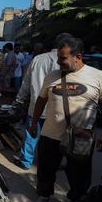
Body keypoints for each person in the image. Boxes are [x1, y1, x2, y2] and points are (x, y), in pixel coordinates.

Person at [29, 37, 102, 202]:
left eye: (63, 58)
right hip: (50, 133)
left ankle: (75, 200)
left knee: (79, 173)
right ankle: (44, 197)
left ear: (78, 56)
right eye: (59, 58)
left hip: (81, 137)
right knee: (45, 169)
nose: (59, 62)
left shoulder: (99, 76)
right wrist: (34, 122)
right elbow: (41, 100)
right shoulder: (52, 75)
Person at [14, 33, 74, 170]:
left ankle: (25, 161)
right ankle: (51, 163)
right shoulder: (68, 61)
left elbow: (26, 82)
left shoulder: (38, 59)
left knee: (31, 133)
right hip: (57, 109)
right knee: (54, 139)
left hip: (36, 105)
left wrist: (19, 99)